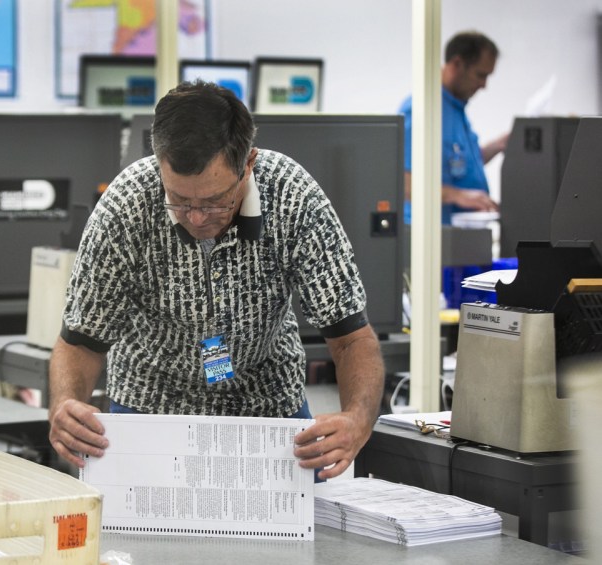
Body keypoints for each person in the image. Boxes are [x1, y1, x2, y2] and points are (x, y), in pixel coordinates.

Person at [48, 81, 385, 481]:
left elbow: (351, 338)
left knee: (291, 540)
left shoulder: (294, 197)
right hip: (150, 405)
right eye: (179, 199)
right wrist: (65, 404)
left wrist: (357, 419)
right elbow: (79, 342)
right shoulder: (125, 207)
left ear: (249, 165)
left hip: (268, 404)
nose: (195, 217)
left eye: (214, 201)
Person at [399, 30, 508, 225]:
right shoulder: (423, 109)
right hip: (430, 238)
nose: (484, 85)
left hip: (458, 235)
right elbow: (403, 181)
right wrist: (457, 195)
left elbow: (458, 166)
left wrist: (499, 145)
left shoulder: (455, 109)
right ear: (457, 64)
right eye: (480, 75)